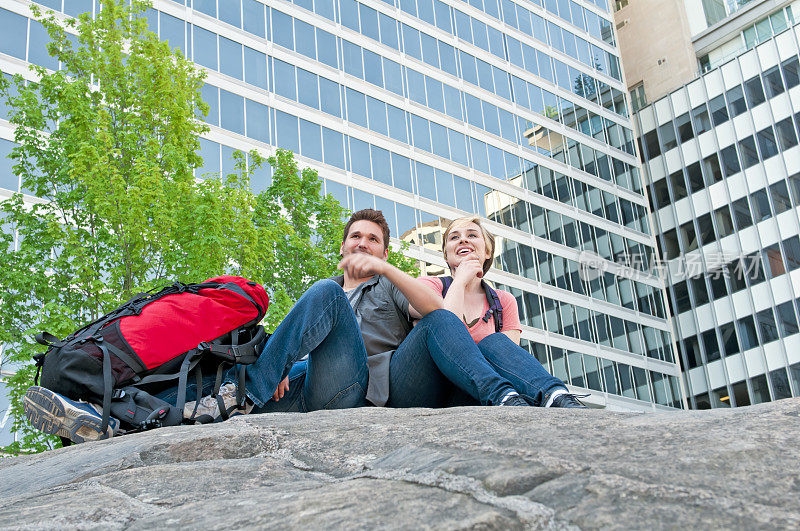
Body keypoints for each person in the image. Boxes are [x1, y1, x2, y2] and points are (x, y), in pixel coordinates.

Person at [416, 216, 587, 408]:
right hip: (432, 386)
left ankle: (556, 396)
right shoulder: (428, 285)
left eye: (472, 235)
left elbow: (508, 361)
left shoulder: (503, 301)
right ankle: (505, 397)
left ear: (487, 251)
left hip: (476, 391)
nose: (463, 240)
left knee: (496, 342)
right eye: (454, 237)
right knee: (440, 318)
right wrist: (461, 280)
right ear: (446, 255)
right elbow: (445, 326)